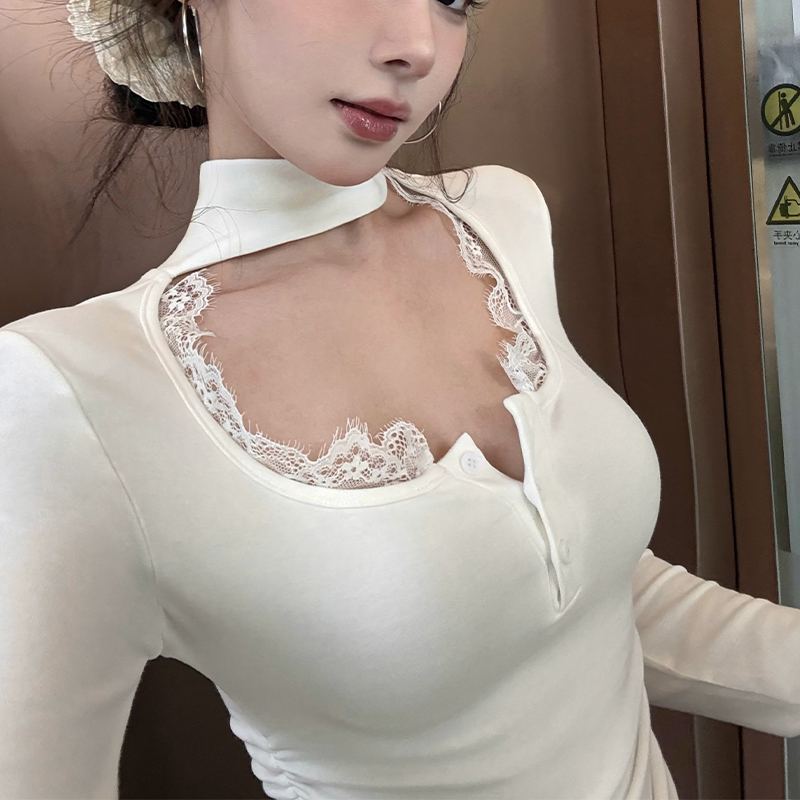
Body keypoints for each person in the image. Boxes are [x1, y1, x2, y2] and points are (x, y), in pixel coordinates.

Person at [2, 1, 800, 798]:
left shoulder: (503, 218)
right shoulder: (72, 390)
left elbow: (593, 602)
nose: (417, 46)